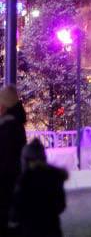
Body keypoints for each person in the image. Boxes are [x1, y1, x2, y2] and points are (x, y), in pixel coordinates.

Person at [9, 140, 66, 237]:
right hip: (52, 230)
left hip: (30, 231)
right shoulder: (53, 178)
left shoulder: (25, 180)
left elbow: (15, 214)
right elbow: (61, 206)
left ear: (26, 160)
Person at [0, 86, 27, 237]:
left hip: (6, 187)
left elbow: (5, 160)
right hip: (11, 185)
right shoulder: (15, 126)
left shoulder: (8, 128)